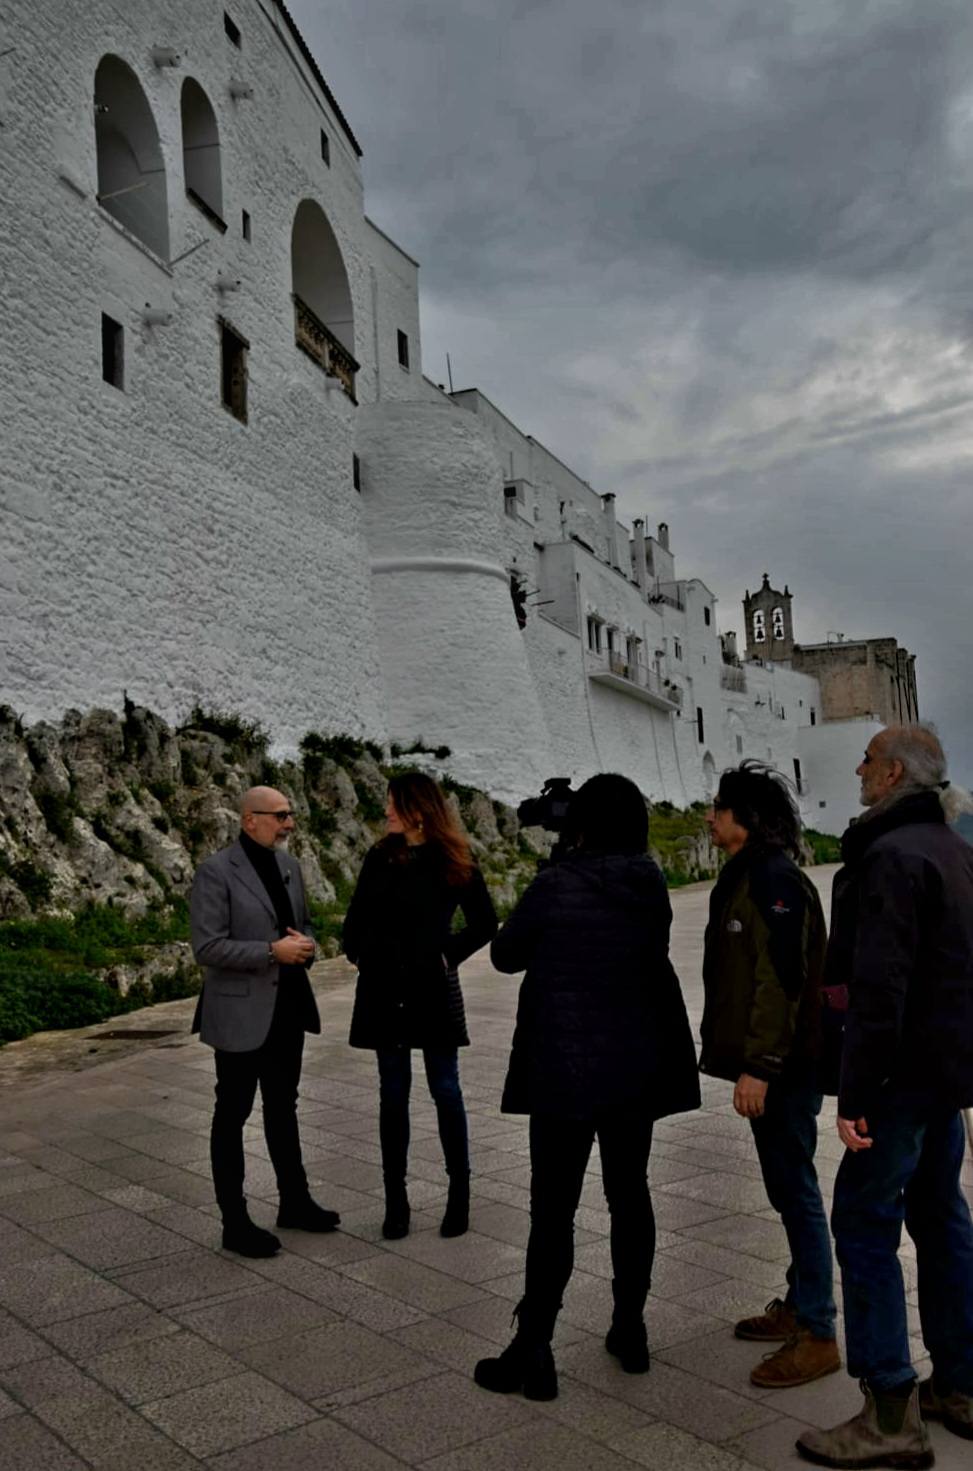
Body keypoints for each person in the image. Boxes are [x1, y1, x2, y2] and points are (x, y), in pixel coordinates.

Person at [474, 773, 700, 1402]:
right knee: (631, 1196)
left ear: (580, 823)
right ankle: (630, 1328)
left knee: (554, 1209)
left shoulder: (555, 884)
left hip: (562, 1067)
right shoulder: (650, 882)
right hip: (633, 1065)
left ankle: (535, 1346)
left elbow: (505, 955)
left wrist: (557, 864)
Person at [796, 726, 973, 1469]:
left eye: (867, 759)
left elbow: (879, 987)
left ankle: (890, 1410)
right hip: (946, 1077)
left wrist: (855, 1090)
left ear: (892, 771)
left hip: (899, 1079)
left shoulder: (890, 855)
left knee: (865, 1224)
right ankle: (960, 1384)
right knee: (940, 1218)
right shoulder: (953, 850)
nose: (859, 769)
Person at [700, 761, 839, 1389]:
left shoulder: (773, 879)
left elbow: (780, 980)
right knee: (789, 1188)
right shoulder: (751, 874)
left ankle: (818, 1329)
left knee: (797, 1191)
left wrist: (760, 1066)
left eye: (718, 807)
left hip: (784, 1067)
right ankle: (800, 1301)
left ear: (746, 818)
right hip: (779, 1063)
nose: (710, 817)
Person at [342, 772, 497, 1240]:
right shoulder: (379, 856)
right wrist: (364, 955)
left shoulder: (453, 857)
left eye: (392, 804)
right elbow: (355, 922)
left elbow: (484, 921)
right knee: (393, 1094)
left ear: (416, 808)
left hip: (433, 989)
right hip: (385, 990)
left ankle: (459, 1196)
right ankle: (397, 1202)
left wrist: (447, 954)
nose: (385, 811)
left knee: (446, 1089)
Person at [190, 786, 339, 1257]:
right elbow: (207, 947)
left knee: (283, 1107)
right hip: (239, 1014)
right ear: (249, 819)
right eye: (279, 816)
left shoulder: (290, 867)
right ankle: (234, 1222)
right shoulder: (215, 872)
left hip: (288, 1011)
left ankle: (293, 1202)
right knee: (232, 1114)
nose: (289, 823)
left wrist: (307, 945)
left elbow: (304, 926)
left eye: (290, 815)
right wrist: (271, 952)